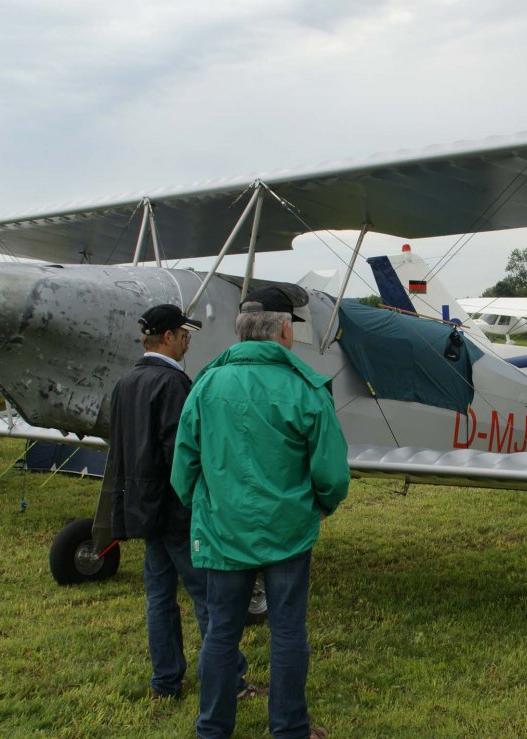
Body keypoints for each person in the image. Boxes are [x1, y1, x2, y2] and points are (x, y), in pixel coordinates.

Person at [172, 286, 350, 739]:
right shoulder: (306, 388)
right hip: (288, 531)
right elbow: (331, 474)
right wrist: (320, 506)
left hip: (221, 531)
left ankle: (212, 729)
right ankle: (290, 728)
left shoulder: (207, 384)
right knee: (287, 630)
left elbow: (183, 469)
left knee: (220, 631)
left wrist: (208, 506)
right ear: (285, 329)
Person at [107, 303, 251, 700]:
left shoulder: (125, 383)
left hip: (143, 509)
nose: (188, 342)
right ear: (168, 337)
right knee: (208, 596)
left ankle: (166, 682)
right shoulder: (172, 384)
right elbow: (181, 453)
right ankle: (231, 681)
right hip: (176, 511)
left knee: (159, 600)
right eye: (185, 335)